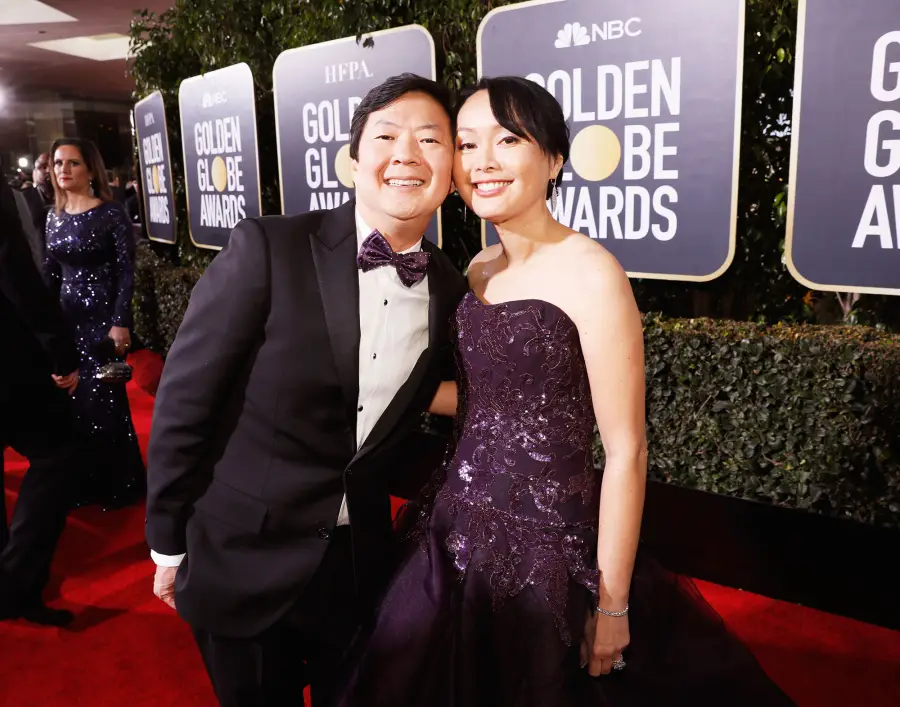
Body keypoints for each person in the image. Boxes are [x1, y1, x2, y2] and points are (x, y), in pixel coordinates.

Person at [332, 77, 796, 706]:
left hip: (549, 553)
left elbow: (627, 451)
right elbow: (486, 402)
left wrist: (612, 604)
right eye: (466, 144)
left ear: (552, 159)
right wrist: (375, 385)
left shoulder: (593, 273)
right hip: (451, 531)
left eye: (508, 140)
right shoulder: (477, 268)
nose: (483, 161)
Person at [145, 73, 467, 707]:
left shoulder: (451, 289)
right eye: (387, 136)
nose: (407, 154)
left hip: (356, 567)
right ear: (354, 161)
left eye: (431, 140)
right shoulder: (270, 248)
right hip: (242, 554)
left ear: (453, 173)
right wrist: (167, 540)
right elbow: (187, 398)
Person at [43, 138, 145, 509]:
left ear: (90, 170)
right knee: (73, 401)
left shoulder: (111, 213)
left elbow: (125, 271)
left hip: (102, 319)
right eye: (57, 163)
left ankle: (118, 483)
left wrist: (120, 322)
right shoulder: (52, 216)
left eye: (72, 163)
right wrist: (45, 323)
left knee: (104, 397)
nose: (63, 170)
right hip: (66, 318)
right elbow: (50, 272)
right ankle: (83, 482)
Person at [0, 180, 80, 627]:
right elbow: (13, 269)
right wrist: (58, 347)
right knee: (56, 455)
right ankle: (16, 586)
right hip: (10, 355)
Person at [19, 152, 54, 266]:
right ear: (34, 173)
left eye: (53, 166)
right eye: (42, 167)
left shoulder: (72, 197)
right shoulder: (23, 198)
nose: (48, 171)